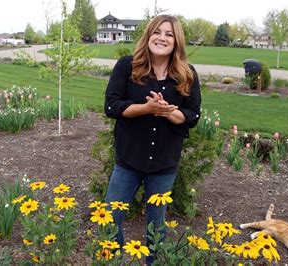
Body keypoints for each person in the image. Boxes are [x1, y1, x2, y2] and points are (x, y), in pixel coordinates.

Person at [104, 14, 201, 262]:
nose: (162, 38)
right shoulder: (127, 66)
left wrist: (169, 112)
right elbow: (111, 106)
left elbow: (192, 115)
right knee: (110, 217)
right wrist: (147, 109)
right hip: (128, 160)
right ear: (148, 35)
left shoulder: (187, 74)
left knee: (156, 226)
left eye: (169, 34)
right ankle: (114, 259)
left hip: (163, 165)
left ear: (176, 42)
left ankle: (152, 262)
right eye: (157, 32)